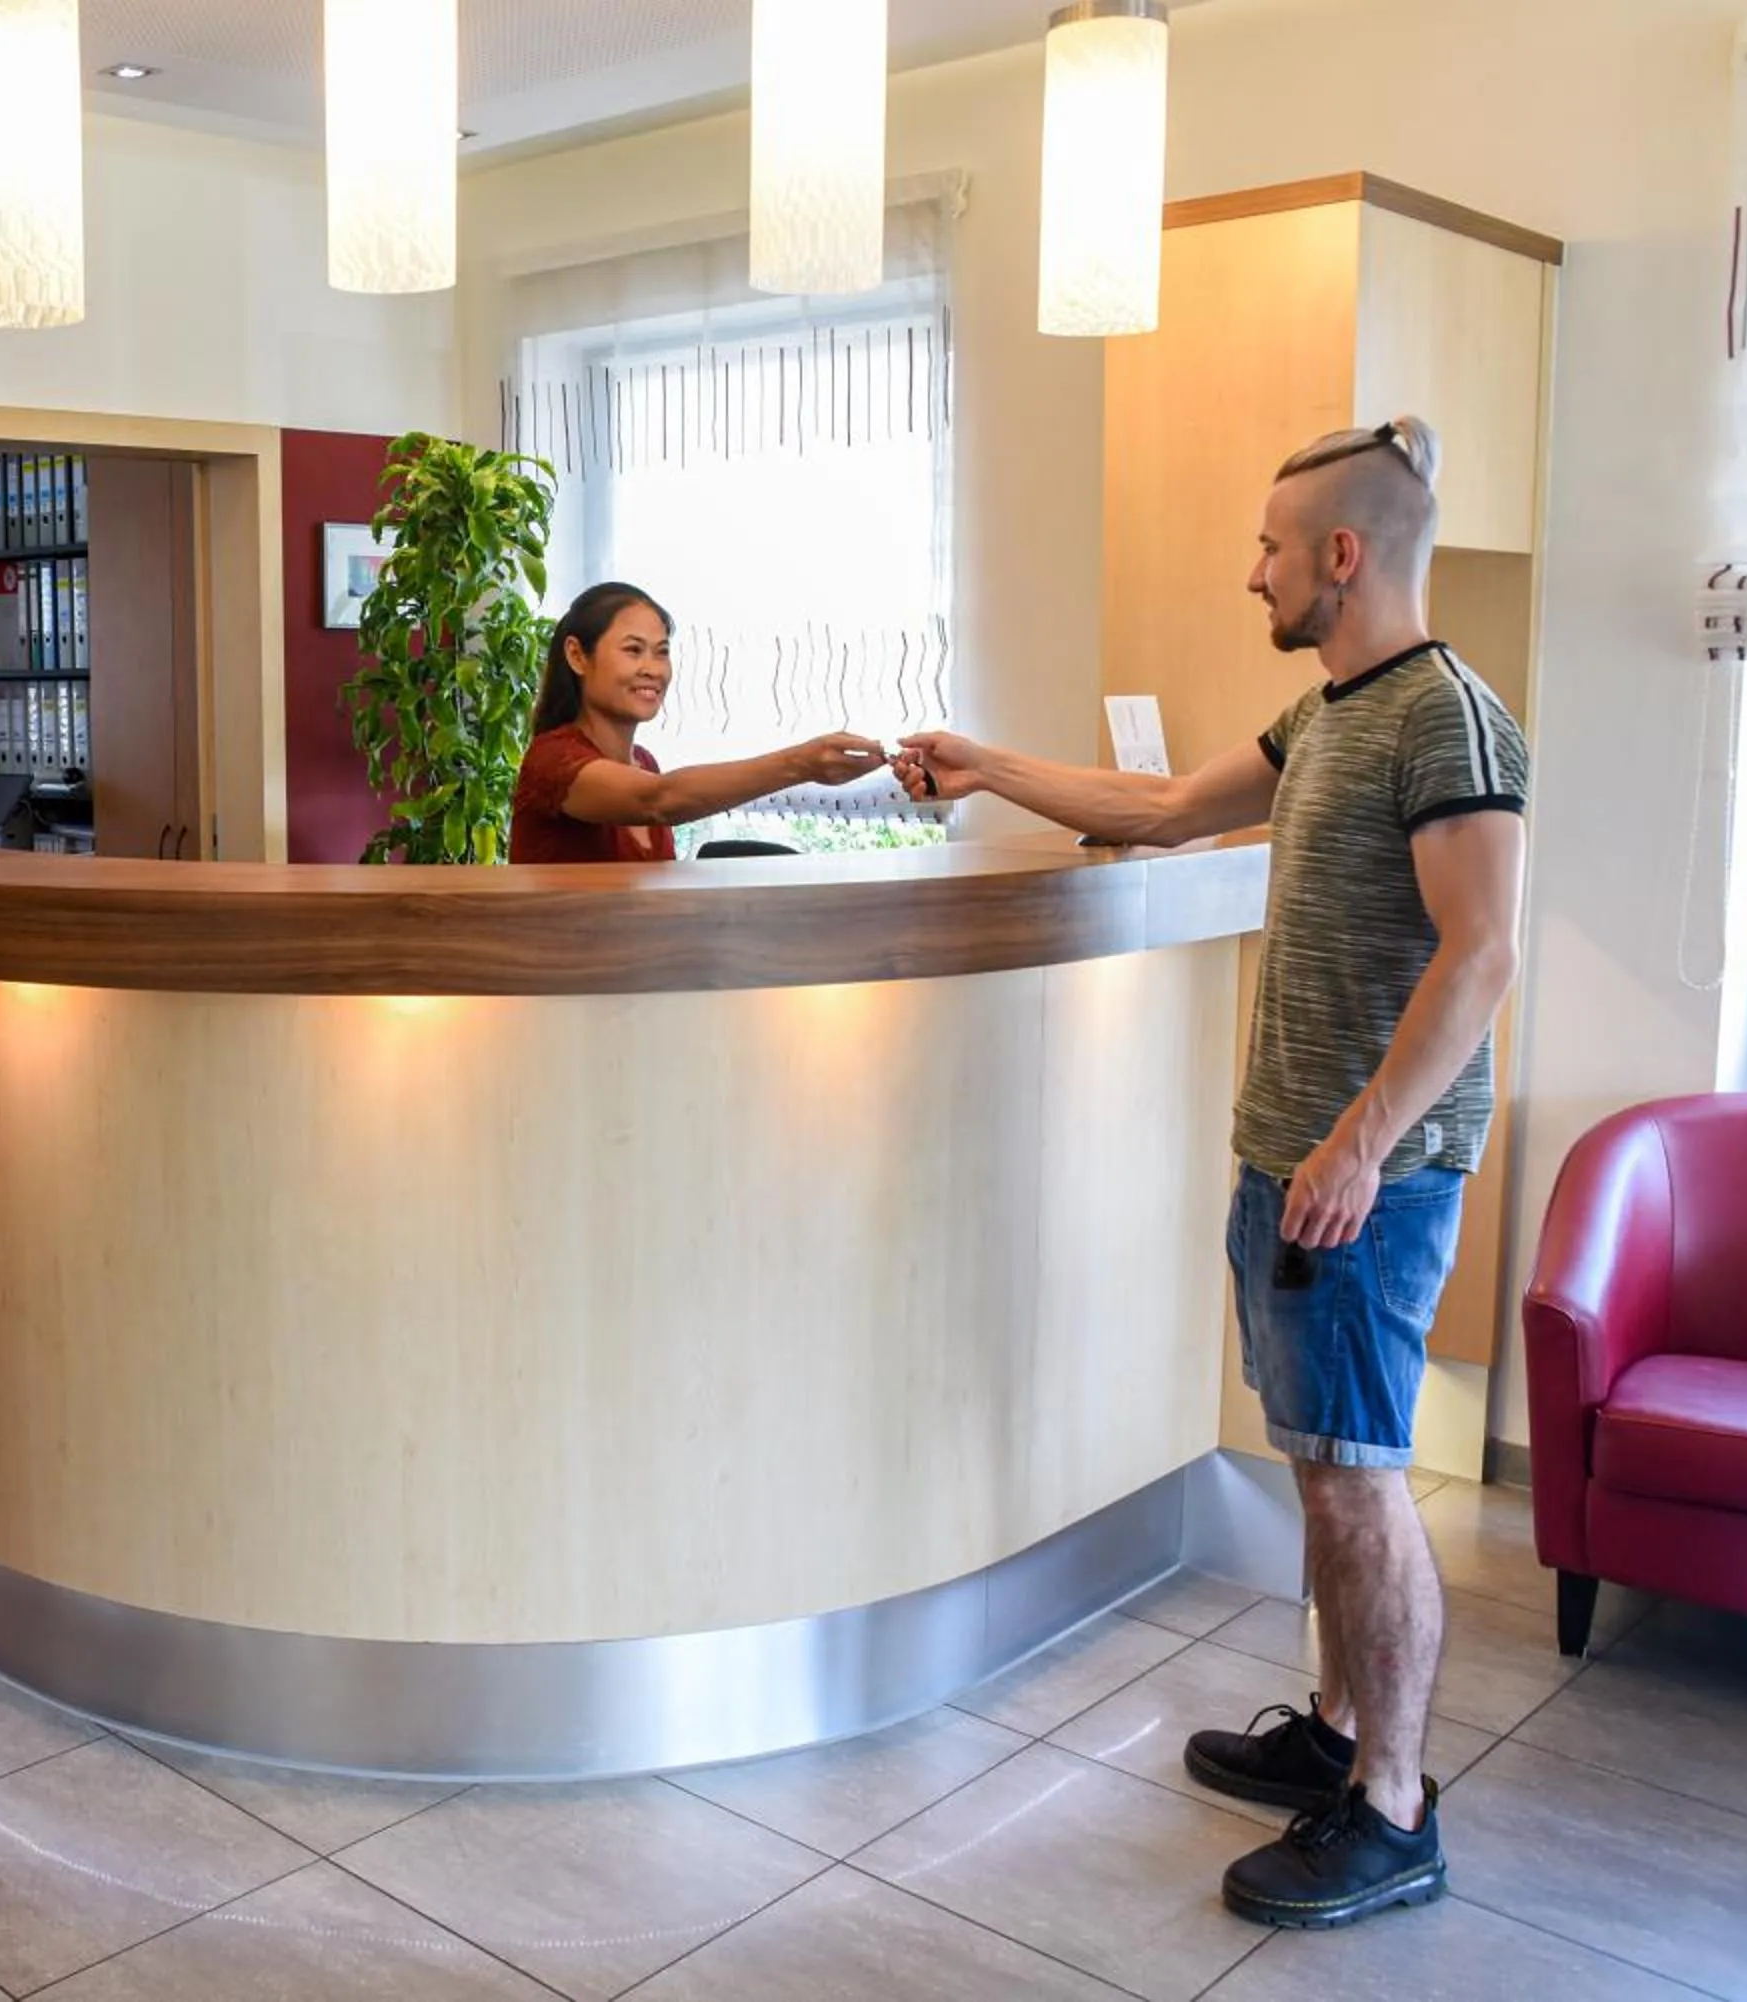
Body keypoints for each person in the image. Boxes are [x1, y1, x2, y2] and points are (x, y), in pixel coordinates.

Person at [893, 415, 1527, 1931]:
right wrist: (988, 767)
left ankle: (1392, 1807)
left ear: (1342, 554)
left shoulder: (1449, 717)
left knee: (1361, 1481)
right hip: (1295, 1160)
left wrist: (1359, 1143)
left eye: (1267, 546)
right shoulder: (1328, 716)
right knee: (1320, 1457)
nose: (1252, 572)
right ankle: (1333, 1724)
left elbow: (1485, 949)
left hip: (1367, 1178)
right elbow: (1165, 804)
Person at [510, 582, 885, 863]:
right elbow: (659, 799)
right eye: (633, 650)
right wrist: (801, 763)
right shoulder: (552, 759)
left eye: (662, 653)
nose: (652, 669)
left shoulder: (644, 763)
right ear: (577, 656)